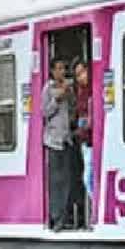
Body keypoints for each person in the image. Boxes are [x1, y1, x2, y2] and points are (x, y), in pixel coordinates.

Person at [42, 57, 72, 231]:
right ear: (52, 71)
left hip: (66, 140)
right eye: (58, 68)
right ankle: (55, 217)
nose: (62, 72)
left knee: (66, 180)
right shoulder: (48, 88)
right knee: (55, 181)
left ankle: (64, 216)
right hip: (53, 141)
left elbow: (72, 109)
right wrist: (57, 100)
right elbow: (44, 112)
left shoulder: (67, 87)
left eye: (63, 68)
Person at [72, 59, 93, 227]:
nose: (80, 77)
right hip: (84, 141)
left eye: (82, 73)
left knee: (88, 178)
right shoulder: (80, 92)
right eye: (77, 75)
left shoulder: (92, 90)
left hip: (92, 140)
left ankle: (96, 210)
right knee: (87, 176)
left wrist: (84, 125)